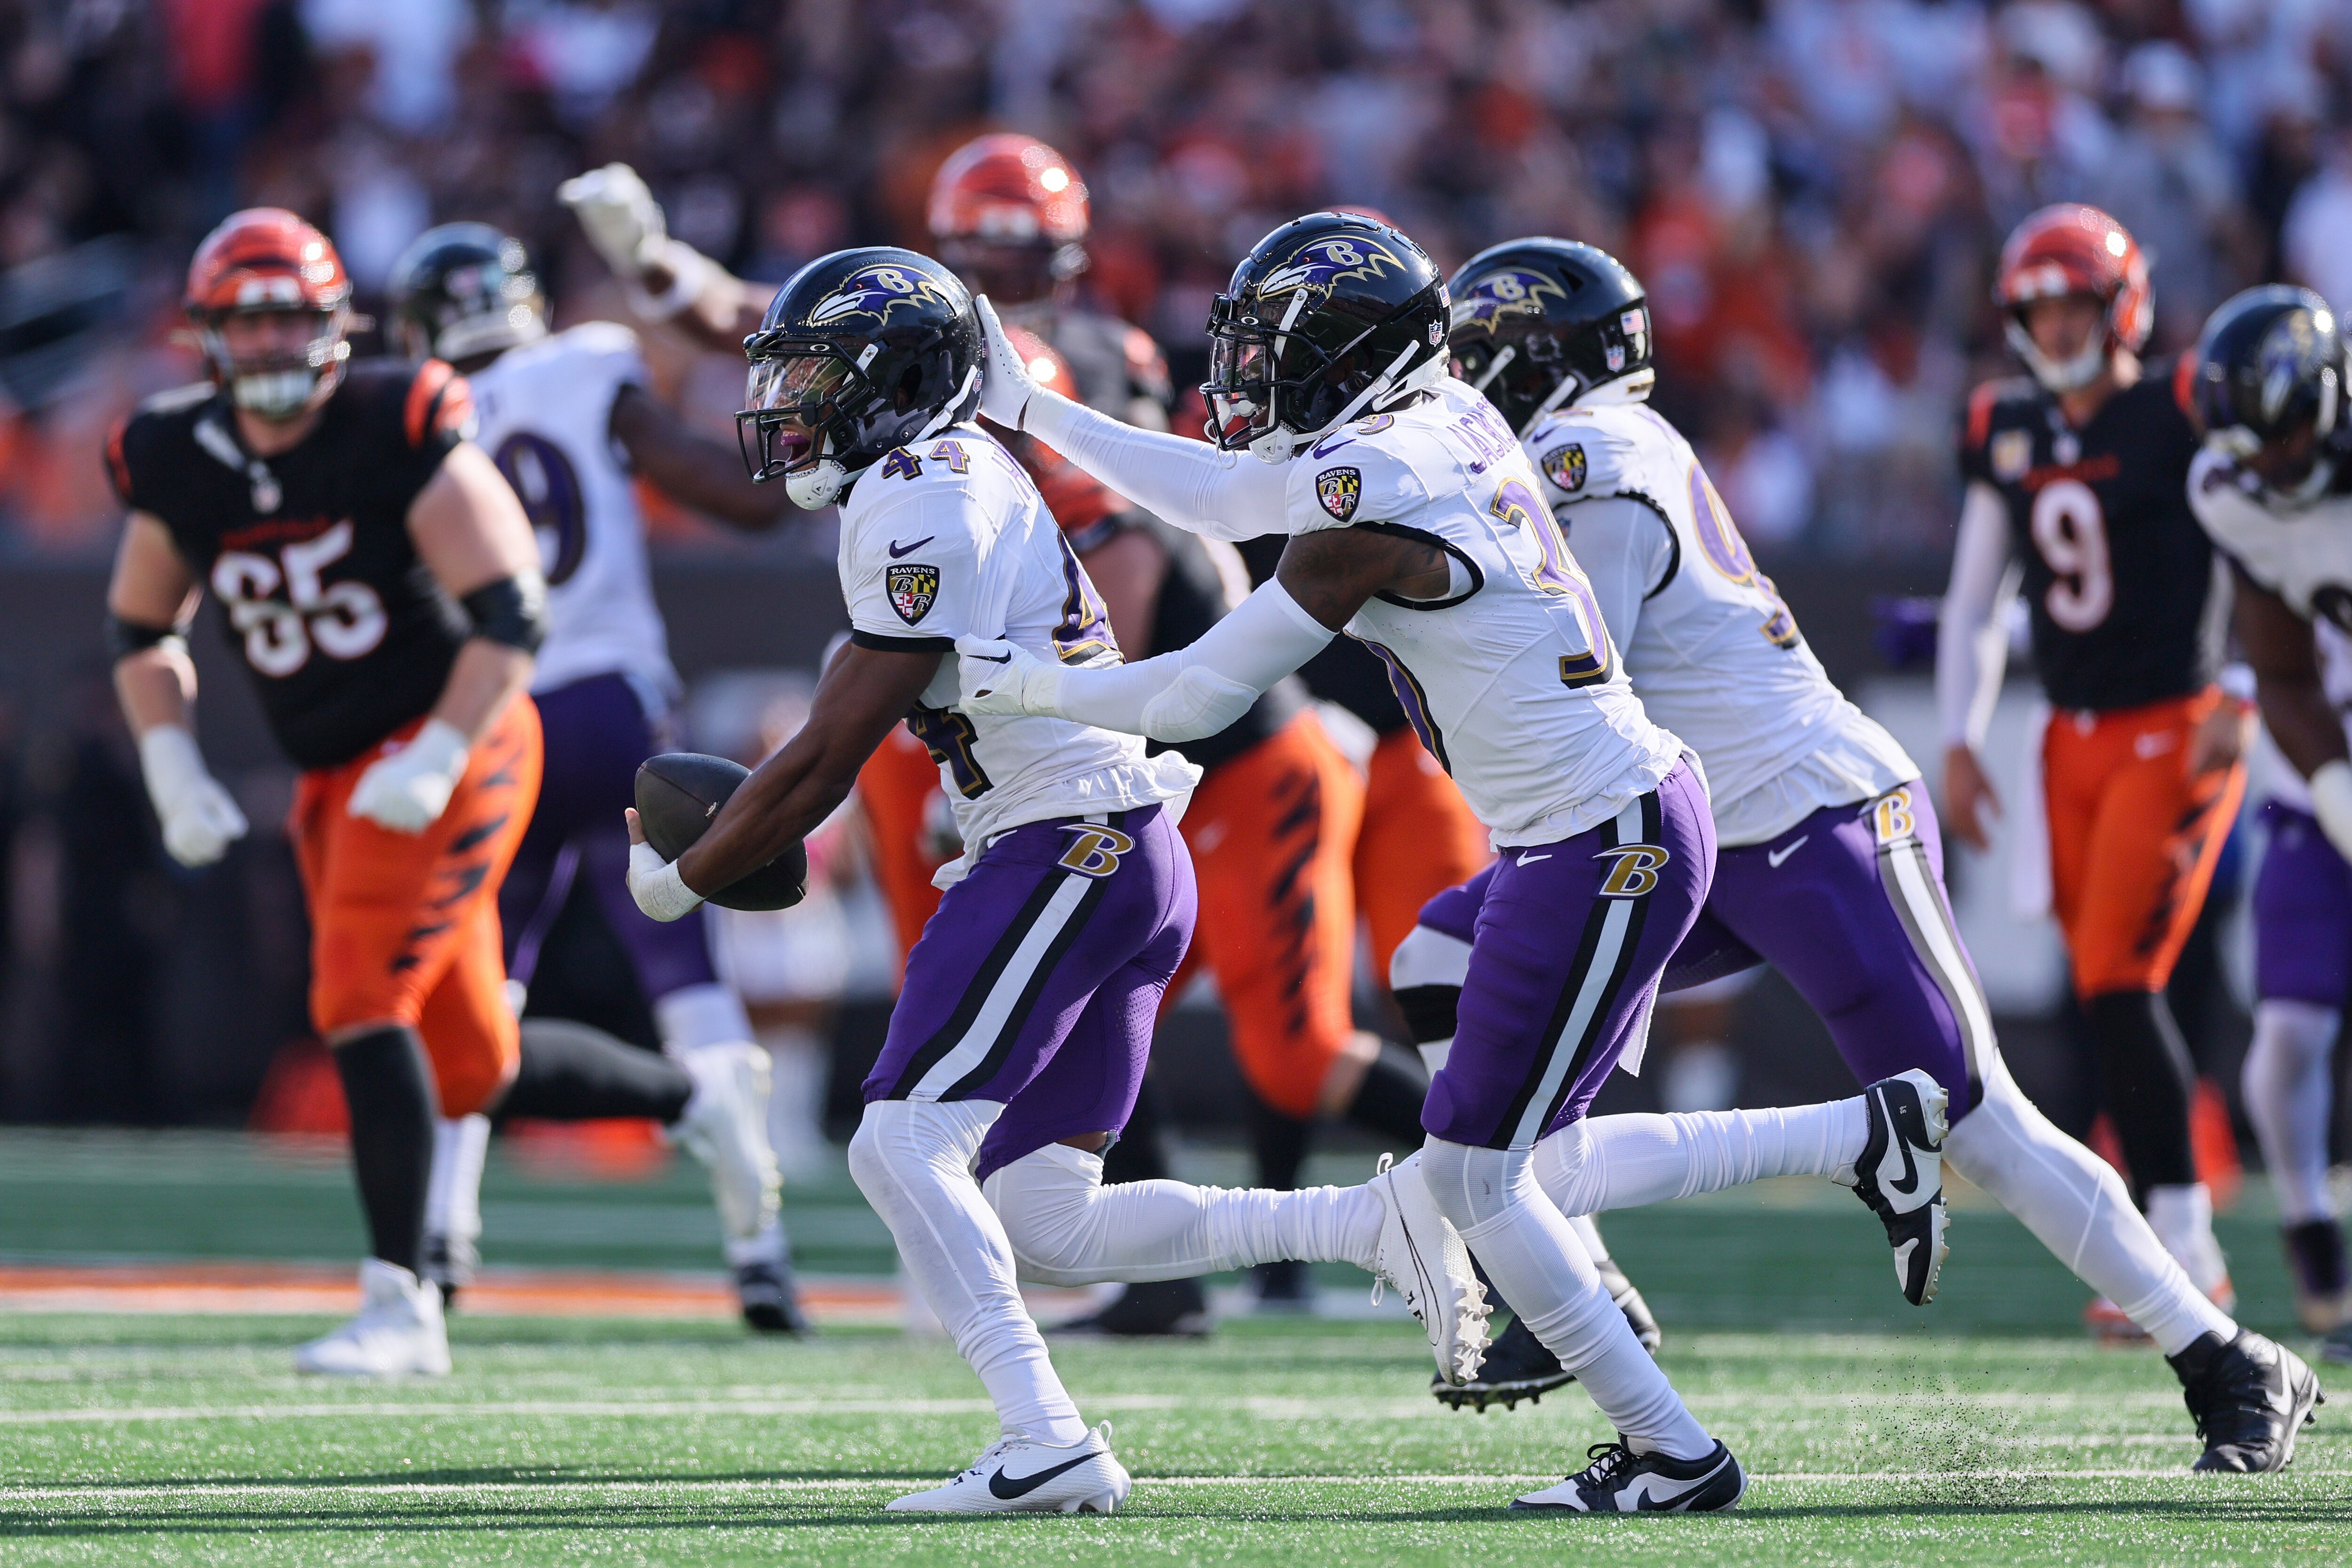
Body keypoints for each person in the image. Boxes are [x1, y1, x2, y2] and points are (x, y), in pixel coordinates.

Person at [956, 209, 1960, 1512]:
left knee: (1482, 1172)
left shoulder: (1379, 485)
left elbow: (1202, 691)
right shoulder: (1424, 423)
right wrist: (1031, 402)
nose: (1253, 372)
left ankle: (1676, 1450)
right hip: (1596, 827)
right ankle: (1857, 1136)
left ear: (1356, 352)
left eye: (1279, 346)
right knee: (1513, 1164)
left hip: (1607, 837)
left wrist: (1023, 686)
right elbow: (1218, 491)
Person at [1408, 236, 2316, 1467]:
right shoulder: (1573, 455)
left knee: (1974, 1113)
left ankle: (2226, 1356)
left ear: (1534, 361)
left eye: (1478, 357)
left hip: (1809, 818)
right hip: (1679, 832)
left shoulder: (1596, 458)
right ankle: (1572, 1280)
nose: (1459, 382)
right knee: (1436, 960)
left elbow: (1575, 694)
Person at [623, 246, 1490, 1514]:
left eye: (815, 376)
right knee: (1050, 1215)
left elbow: (823, 757)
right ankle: (1371, 1227)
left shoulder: (924, 487)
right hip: (1104, 841)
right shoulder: (929, 478)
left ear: (893, 383)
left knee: (903, 1140)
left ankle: (1046, 1434)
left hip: (1074, 841)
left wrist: (687, 874)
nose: (791, 403)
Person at [104, 209, 545, 1376]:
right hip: (340, 767)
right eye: (244, 320)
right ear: (206, 331)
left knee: (356, 991)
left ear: (336, 323)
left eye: (289, 316)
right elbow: (144, 626)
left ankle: (402, 1303)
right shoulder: (173, 452)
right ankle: (695, 1101)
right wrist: (171, 760)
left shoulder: (393, 420)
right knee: (469, 1058)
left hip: (458, 732)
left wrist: (442, 749)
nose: (266, 342)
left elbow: (511, 614)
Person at [383, 222, 803, 1331]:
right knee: (685, 969)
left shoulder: (410, 413)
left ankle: (439, 1234)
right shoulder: (586, 365)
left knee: (482, 981)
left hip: (494, 717)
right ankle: (757, 1248)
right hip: (613, 703)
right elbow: (737, 495)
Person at [996, 327, 1437, 1332]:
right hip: (1180, 788)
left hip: (1257, 781)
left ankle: (1519, 1184)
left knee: (1299, 1052)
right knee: (1097, 1000)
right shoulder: (1034, 514)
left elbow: (1115, 689)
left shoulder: (1112, 522)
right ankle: (1161, 1284)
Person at [1937, 204, 2243, 1336]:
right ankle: (2167, 1246)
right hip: (2067, 733)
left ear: (2121, 306)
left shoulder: (2176, 404)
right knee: (2099, 985)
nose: (2057, 325)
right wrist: (1961, 736)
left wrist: (2247, 689)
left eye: (2076, 302)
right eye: (2040, 306)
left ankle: (2186, 1249)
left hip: (2176, 717)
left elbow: (2254, 538)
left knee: (2119, 977)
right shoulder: (2002, 423)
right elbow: (1977, 596)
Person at [2186, 284, 2352, 1366]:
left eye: (2288, 439)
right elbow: (2284, 669)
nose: (2273, 467)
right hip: (2323, 773)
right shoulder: (2231, 489)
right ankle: (2308, 1222)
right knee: (2287, 1032)